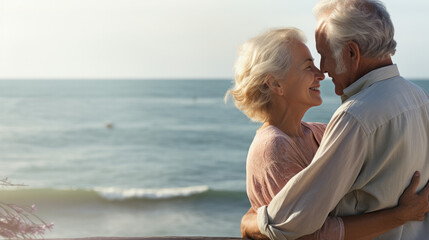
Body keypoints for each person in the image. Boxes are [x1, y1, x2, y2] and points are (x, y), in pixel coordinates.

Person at [239, 0, 429, 239]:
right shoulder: (420, 98)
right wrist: (401, 215)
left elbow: (290, 222)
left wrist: (251, 222)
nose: (322, 70)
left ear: (352, 53)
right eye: (310, 64)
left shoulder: (355, 117)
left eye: (324, 55)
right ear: (275, 83)